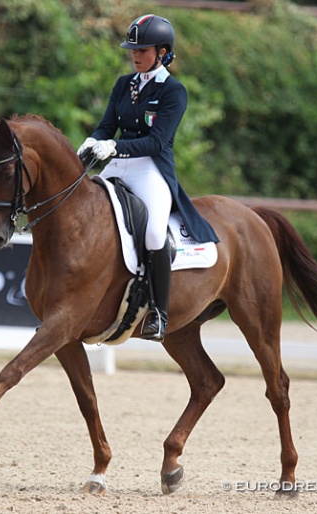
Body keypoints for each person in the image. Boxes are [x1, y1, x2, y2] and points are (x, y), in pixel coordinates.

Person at [77, 14, 219, 342]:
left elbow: (157, 141)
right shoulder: (124, 84)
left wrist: (113, 147)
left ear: (163, 52)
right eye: (133, 50)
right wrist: (93, 140)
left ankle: (158, 311)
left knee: (155, 233)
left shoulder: (174, 91)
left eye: (143, 50)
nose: (136, 55)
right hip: (117, 164)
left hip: (150, 169)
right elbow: (106, 124)